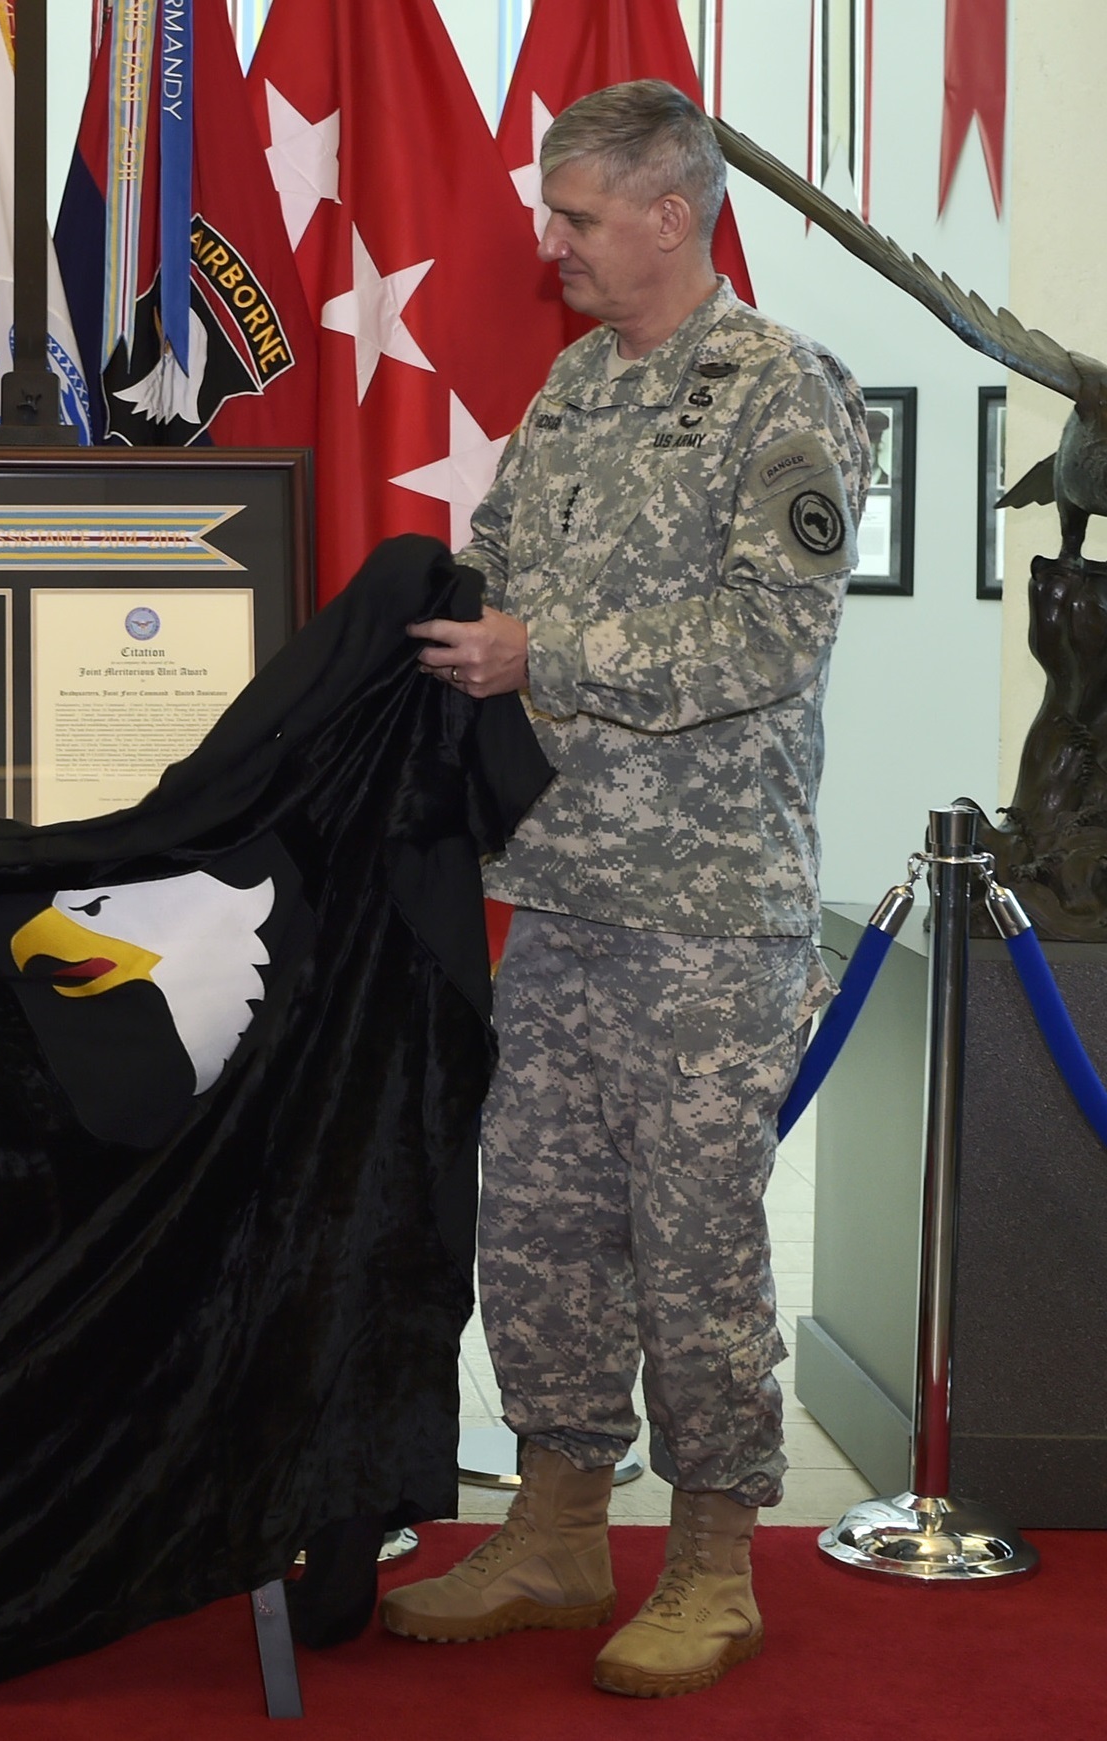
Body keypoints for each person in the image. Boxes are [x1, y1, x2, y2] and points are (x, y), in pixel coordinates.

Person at [380, 80, 869, 1700]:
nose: (550, 241)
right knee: (536, 1226)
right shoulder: (574, 391)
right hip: (568, 895)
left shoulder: (782, 394)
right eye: (552, 212)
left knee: (694, 1243)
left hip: (708, 910)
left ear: (674, 210)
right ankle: (558, 1525)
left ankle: (715, 1559)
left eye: (576, 215)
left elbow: (767, 640)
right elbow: (494, 577)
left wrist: (548, 655)